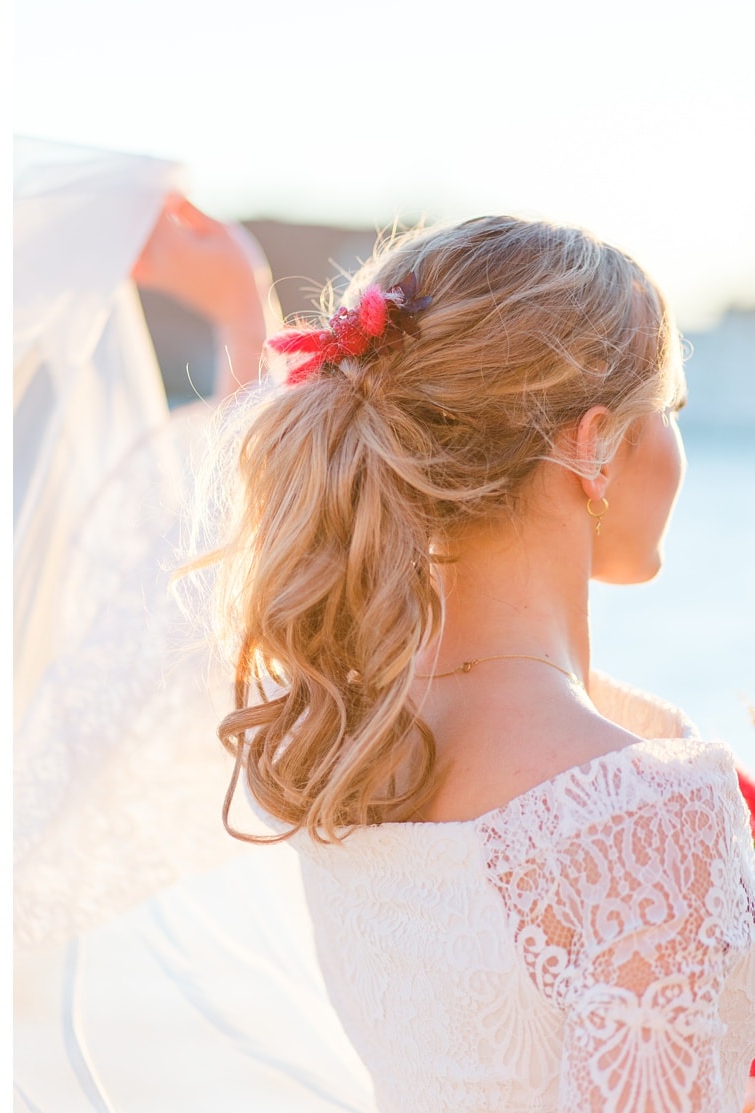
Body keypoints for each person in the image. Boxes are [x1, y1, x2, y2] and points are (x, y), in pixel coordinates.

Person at [188, 214, 755, 1110]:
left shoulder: (344, 731)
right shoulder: (645, 815)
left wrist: (234, 312)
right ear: (592, 445)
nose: (675, 444)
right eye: (670, 411)